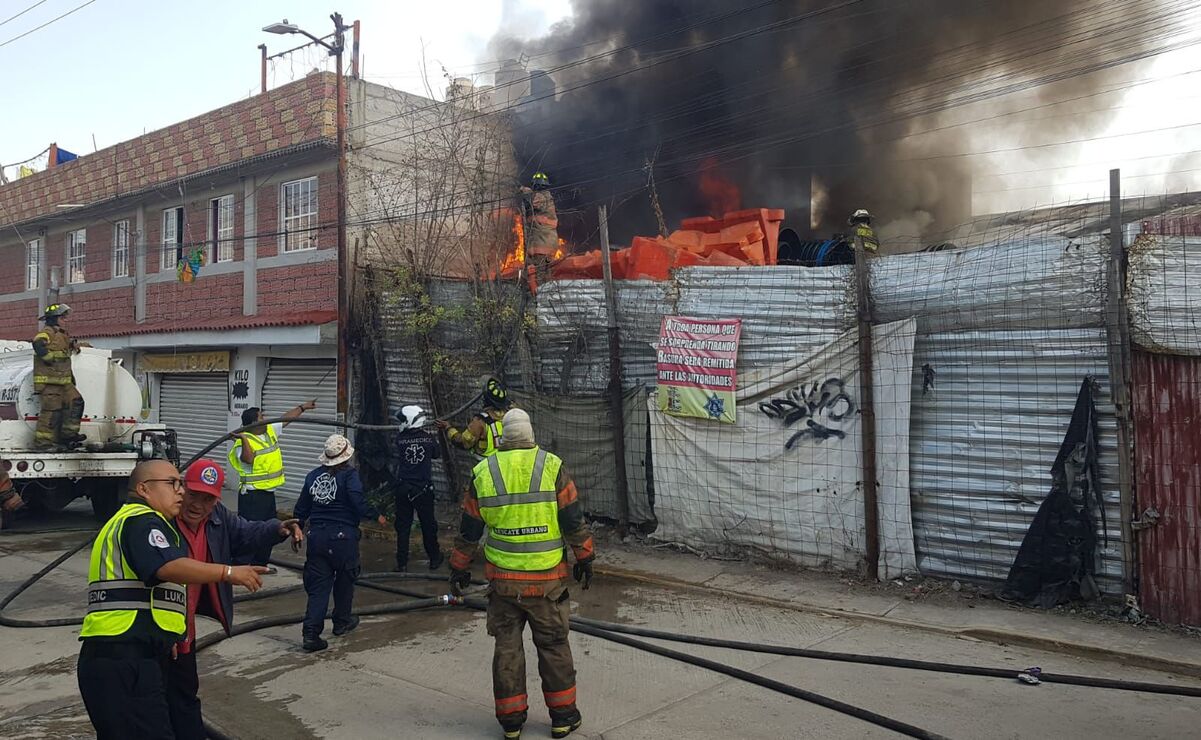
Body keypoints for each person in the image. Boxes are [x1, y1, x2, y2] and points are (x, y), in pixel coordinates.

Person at [77, 459, 267, 739]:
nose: (180, 491)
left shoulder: (132, 522)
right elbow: (166, 566)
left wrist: (167, 635)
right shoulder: (142, 520)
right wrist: (228, 572)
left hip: (125, 657)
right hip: (125, 660)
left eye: (180, 483)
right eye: (172, 483)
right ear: (143, 489)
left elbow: (152, 593)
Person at [448, 408, 595, 740]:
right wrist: (585, 558)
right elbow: (573, 520)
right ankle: (563, 717)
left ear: (502, 437)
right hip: (546, 584)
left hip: (503, 585)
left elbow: (469, 530)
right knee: (554, 646)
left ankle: (512, 724)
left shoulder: (484, 471)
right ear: (531, 435)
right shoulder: (552, 466)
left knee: (507, 649)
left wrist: (458, 568)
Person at [167, 459, 305, 740]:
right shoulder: (160, 522)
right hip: (158, 631)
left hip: (183, 631)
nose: (198, 505)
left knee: (184, 697)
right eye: (194, 495)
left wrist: (278, 528)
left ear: (216, 500)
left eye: (208, 499)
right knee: (151, 704)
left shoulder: (218, 517)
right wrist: (228, 572)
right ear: (181, 489)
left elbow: (246, 532)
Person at [294, 433, 387, 653]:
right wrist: (376, 516)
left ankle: (311, 633)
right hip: (342, 539)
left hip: (316, 537)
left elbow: (301, 509)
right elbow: (357, 502)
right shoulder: (349, 476)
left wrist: (295, 528)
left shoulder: (313, 476)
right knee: (345, 581)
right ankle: (341, 622)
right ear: (346, 456)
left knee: (318, 587)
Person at [227, 400, 316, 567]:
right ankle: (243, 564)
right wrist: (244, 439)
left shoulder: (268, 431)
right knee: (250, 531)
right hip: (252, 496)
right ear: (255, 422)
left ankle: (261, 564)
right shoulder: (242, 441)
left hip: (267, 494)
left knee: (269, 530)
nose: (265, 418)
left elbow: (285, 420)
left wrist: (302, 408)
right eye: (262, 416)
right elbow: (248, 458)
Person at [391, 405, 445, 572]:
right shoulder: (428, 439)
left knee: (403, 526)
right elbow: (437, 454)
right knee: (428, 525)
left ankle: (402, 563)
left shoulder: (399, 439)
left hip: (404, 488)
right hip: (423, 490)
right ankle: (434, 559)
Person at [32, 303, 87, 451]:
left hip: (64, 383)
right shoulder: (47, 332)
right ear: (53, 319)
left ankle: (68, 436)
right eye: (62, 317)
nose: (65, 320)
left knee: (76, 402)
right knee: (51, 413)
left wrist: (74, 344)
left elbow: (63, 345)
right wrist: (49, 358)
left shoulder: (62, 334)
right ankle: (43, 444)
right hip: (50, 383)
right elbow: (38, 343)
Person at [444, 378, 510, 458]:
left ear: (486, 399)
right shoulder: (512, 417)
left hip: (487, 469)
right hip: (508, 466)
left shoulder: (480, 422)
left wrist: (449, 429)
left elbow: (463, 442)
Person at [518, 171, 560, 289]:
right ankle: (546, 300)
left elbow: (535, 202)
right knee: (546, 276)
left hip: (540, 246)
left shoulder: (542, 196)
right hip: (548, 245)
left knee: (538, 278)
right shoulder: (549, 199)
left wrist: (524, 190)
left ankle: (539, 301)